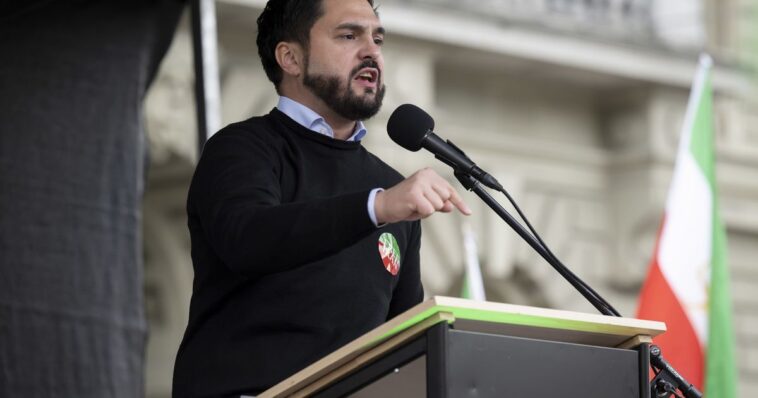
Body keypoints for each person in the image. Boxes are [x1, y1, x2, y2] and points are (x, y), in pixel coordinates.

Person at [172, 0, 470, 396]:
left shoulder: (388, 186)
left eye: (377, 37)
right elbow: (248, 239)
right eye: (349, 35)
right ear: (290, 57)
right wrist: (375, 207)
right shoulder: (243, 148)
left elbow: (404, 342)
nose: (371, 51)